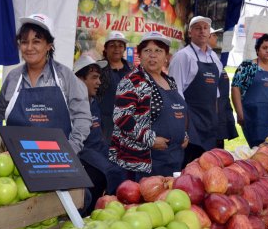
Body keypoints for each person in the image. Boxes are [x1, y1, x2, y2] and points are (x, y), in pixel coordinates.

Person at [0, 14, 90, 155]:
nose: (29, 47)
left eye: (36, 41)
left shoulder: (64, 76)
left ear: (48, 46)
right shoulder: (13, 78)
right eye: (24, 42)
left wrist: (72, 148)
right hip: (17, 157)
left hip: (57, 156)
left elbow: (82, 116)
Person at [110, 31, 189, 179]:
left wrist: (182, 134)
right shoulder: (132, 81)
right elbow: (122, 118)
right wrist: (150, 140)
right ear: (140, 55)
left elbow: (176, 114)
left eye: (158, 51)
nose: (153, 55)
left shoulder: (170, 81)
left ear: (166, 57)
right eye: (147, 51)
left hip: (172, 157)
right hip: (143, 161)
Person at [74, 54, 127, 213]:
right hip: (84, 154)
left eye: (99, 78)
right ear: (79, 80)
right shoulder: (72, 105)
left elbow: (99, 135)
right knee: (110, 171)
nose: (99, 82)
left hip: (99, 148)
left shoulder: (93, 101)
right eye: (94, 78)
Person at [168, 16, 223, 165]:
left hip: (209, 123)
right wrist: (183, 127)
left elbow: (215, 95)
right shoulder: (183, 57)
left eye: (205, 28)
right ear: (190, 32)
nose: (202, 31)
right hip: (190, 123)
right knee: (188, 166)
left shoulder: (215, 59)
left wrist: (215, 121)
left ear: (209, 33)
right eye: (198, 28)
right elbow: (175, 94)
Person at [96, 31, 132, 144]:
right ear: (105, 49)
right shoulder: (97, 68)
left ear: (124, 49)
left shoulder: (132, 70)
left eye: (120, 46)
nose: (116, 49)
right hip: (105, 122)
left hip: (128, 121)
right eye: (112, 45)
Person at [209, 27, 238, 147]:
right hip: (211, 118)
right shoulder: (195, 58)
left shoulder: (214, 57)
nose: (216, 37)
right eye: (214, 35)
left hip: (222, 114)